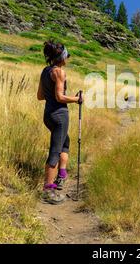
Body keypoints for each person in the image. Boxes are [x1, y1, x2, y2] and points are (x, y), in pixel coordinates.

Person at [37, 41, 83, 205]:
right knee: (55, 151)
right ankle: (48, 190)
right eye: (66, 56)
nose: (67, 59)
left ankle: (61, 175)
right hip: (59, 115)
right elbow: (60, 97)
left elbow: (40, 96)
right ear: (61, 57)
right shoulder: (59, 73)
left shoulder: (45, 71)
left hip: (48, 114)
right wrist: (77, 99)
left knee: (65, 142)